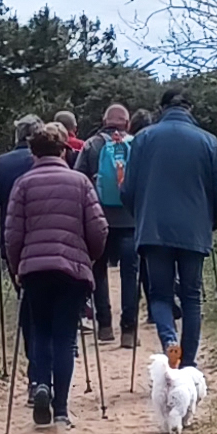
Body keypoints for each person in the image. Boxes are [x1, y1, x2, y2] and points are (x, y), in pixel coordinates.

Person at [3, 125, 108, 429]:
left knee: (40, 332)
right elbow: (99, 228)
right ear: (64, 151)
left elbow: (12, 235)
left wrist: (17, 268)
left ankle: (40, 385)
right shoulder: (80, 182)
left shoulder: (22, 184)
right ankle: (61, 409)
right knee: (65, 336)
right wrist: (91, 257)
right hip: (72, 271)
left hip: (34, 270)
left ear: (33, 153)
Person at [124, 83, 217, 367]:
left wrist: (142, 216)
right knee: (191, 298)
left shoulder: (143, 139)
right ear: (190, 109)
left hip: (154, 231)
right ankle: (188, 364)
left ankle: (170, 341)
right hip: (194, 232)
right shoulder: (208, 141)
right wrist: (211, 223)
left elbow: (128, 191)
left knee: (159, 295)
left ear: (161, 109)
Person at [80, 102, 137, 342]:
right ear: (127, 122)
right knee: (130, 274)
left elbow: (79, 178)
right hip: (131, 220)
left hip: (99, 219)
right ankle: (129, 330)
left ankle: (104, 326)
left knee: (99, 271)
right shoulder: (136, 143)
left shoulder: (92, 145)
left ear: (104, 121)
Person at [0, 115, 39, 241]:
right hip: (43, 240)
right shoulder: (47, 160)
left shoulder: (2, 163)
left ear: (17, 135)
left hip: (11, 241)